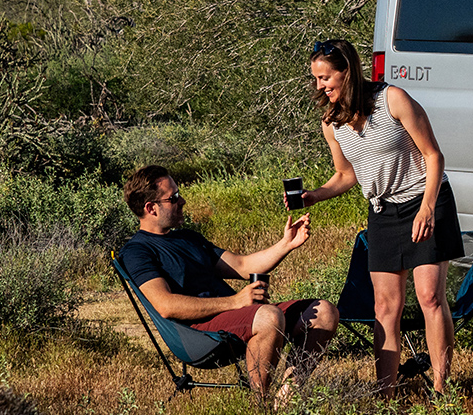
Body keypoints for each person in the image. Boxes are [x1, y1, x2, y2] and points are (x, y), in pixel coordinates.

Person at [296, 39, 462, 396]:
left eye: (326, 77)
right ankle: (385, 391)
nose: (320, 86)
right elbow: (345, 175)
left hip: (425, 199)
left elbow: (434, 156)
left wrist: (428, 208)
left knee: (430, 296)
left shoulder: (393, 100)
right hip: (383, 211)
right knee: (385, 305)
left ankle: (441, 389)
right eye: (316, 80)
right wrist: (314, 195)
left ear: (348, 72)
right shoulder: (332, 123)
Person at [119, 165, 339, 403]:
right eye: (173, 198)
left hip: (234, 318)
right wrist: (236, 301)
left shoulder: (188, 237)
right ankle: (260, 404)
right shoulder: (138, 251)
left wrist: (286, 244)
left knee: (324, 312)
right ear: (151, 208)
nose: (182, 201)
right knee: (269, 316)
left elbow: (243, 266)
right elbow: (166, 305)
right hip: (197, 333)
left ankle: (286, 400)